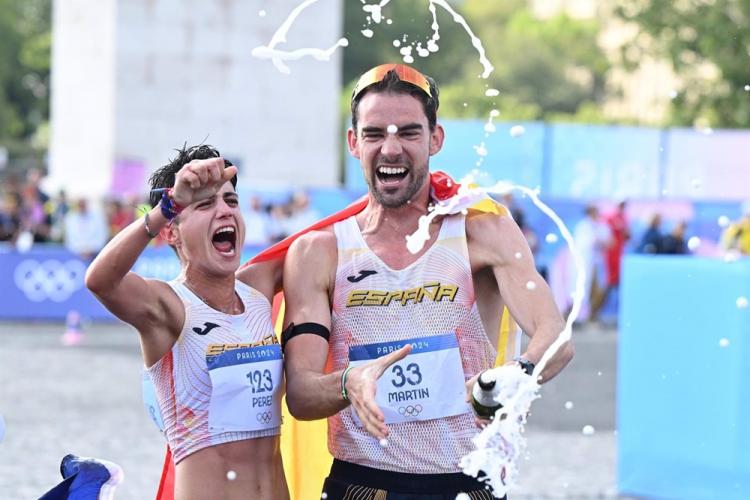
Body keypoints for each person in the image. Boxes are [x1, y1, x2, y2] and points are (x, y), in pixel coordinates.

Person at [281, 64, 573, 499]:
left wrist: (514, 376)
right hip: (363, 483)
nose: (391, 149)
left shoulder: (482, 232)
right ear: (353, 142)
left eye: (409, 133)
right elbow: (302, 396)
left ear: (435, 139)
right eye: (375, 133)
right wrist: (348, 382)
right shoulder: (318, 252)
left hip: (467, 483)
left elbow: (555, 338)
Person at [85, 144, 289, 500]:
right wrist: (168, 206)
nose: (224, 212)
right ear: (171, 233)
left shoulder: (260, 286)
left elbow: (330, 241)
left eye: (231, 201)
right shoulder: (168, 307)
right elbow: (100, 281)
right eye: (206, 204)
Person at [591, 200, 630, 321]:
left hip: (618, 256)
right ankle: (594, 312)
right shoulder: (609, 218)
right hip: (608, 257)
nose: (623, 207)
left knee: (615, 284)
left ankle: (603, 313)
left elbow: (627, 236)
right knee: (607, 283)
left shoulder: (623, 218)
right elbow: (605, 238)